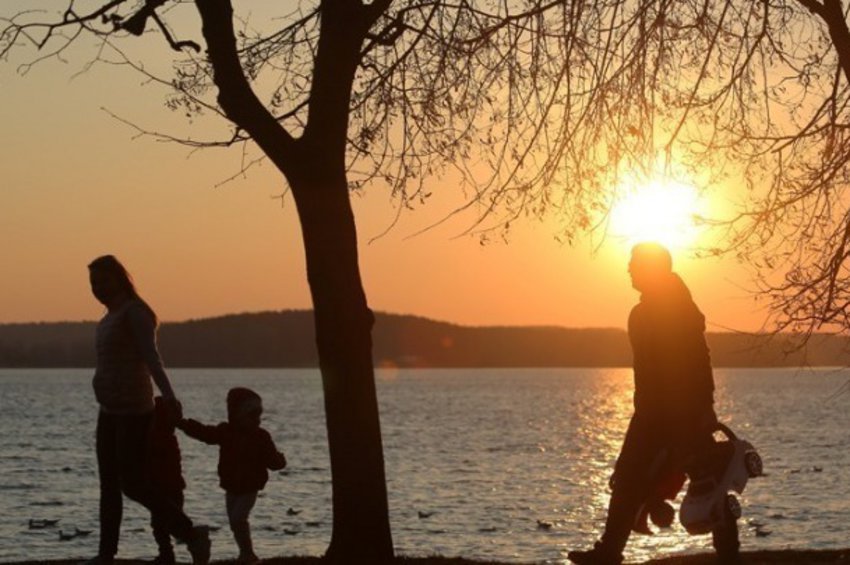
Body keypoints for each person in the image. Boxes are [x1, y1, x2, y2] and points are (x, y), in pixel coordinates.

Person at [568, 242, 740, 565]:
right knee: (627, 477)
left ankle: (729, 553)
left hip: (684, 411)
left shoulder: (679, 308)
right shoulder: (641, 313)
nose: (628, 268)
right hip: (649, 413)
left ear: (651, 269)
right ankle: (609, 552)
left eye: (634, 263)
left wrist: (704, 406)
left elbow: (698, 361)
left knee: (708, 477)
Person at [86, 255, 210, 565]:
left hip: (134, 410)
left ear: (119, 278)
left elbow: (152, 359)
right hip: (108, 409)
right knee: (109, 484)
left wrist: (169, 396)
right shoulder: (108, 317)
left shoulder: (134, 313)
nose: (97, 288)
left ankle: (191, 533)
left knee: (134, 483)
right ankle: (106, 554)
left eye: (102, 280)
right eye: (93, 283)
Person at [178, 387, 287, 564]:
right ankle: (246, 553)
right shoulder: (226, 431)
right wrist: (183, 424)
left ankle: (248, 554)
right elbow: (205, 433)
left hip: (250, 486)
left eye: (257, 416)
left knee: (238, 519)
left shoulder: (261, 436)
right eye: (251, 416)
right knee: (235, 522)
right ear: (236, 415)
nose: (256, 421)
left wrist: (280, 461)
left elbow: (272, 460)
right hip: (231, 485)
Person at [148, 396, 187, 565]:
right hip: (171, 487)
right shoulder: (167, 438)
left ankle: (171, 551)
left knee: (165, 524)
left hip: (164, 488)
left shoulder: (159, 439)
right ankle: (166, 554)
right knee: (161, 524)